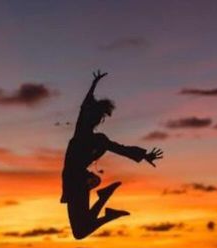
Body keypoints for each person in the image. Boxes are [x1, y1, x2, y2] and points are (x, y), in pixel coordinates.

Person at [61, 70, 163, 239]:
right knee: (82, 228)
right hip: (81, 180)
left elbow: (84, 107)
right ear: (100, 119)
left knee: (80, 231)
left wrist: (93, 85)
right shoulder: (100, 140)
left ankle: (107, 206)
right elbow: (121, 149)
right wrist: (144, 156)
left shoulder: (80, 134)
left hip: (74, 180)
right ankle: (105, 200)